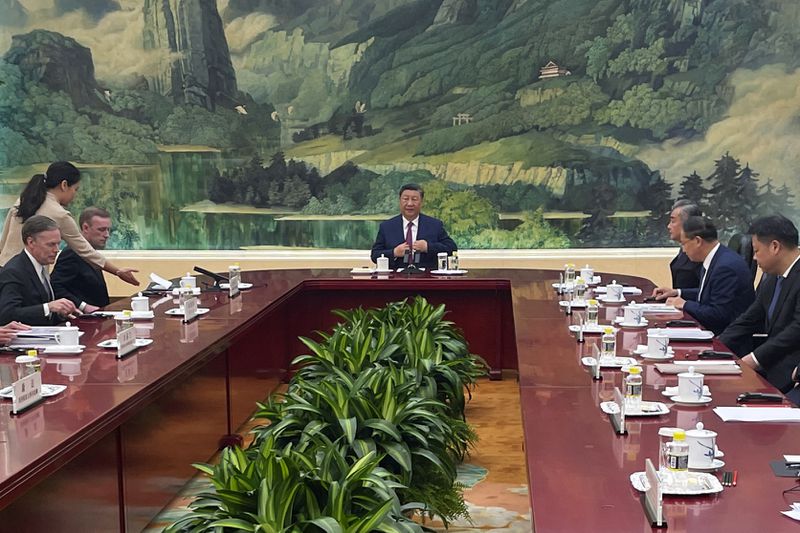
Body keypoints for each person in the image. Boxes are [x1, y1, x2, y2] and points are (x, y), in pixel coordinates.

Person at [0, 161, 139, 286]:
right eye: (75, 189)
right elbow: (86, 251)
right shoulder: (59, 214)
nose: (75, 195)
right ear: (64, 185)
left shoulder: (23, 200)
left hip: (5, 270)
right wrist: (118, 271)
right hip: (29, 278)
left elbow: (4, 239)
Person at [719, 215, 800, 392]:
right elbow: (749, 319)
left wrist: (753, 360)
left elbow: (795, 330)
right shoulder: (771, 277)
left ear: (775, 246)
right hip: (771, 369)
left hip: (792, 375)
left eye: (756, 251)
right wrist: (715, 347)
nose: (754, 258)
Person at [652, 216, 755, 335]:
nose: (684, 251)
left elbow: (718, 314)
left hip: (724, 341)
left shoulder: (725, 267)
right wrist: (678, 292)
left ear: (697, 241)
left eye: (684, 244)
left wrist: (685, 304)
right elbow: (708, 294)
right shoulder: (717, 257)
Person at [0, 216, 80, 325]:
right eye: (51, 244)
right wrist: (48, 307)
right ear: (31, 242)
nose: (56, 250)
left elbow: (41, 312)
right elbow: (7, 314)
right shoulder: (14, 271)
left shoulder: (40, 266)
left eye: (58, 244)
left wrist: (60, 313)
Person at [370, 183, 457, 270]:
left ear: (421, 202)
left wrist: (428, 247)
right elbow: (375, 255)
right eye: (405, 199)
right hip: (396, 279)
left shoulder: (434, 225)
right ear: (400, 201)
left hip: (427, 279)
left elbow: (451, 248)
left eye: (414, 199)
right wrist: (394, 252)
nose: (410, 203)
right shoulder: (387, 227)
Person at [51, 207, 113, 313]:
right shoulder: (72, 253)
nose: (107, 235)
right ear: (85, 228)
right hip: (81, 320)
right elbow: (55, 286)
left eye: (108, 230)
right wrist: (83, 306)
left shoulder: (92, 254)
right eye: (101, 230)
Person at [666, 200, 704, 290]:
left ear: (687, 223)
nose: (668, 226)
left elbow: (705, 292)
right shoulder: (683, 248)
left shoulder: (699, 253)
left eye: (673, 221)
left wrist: (679, 293)